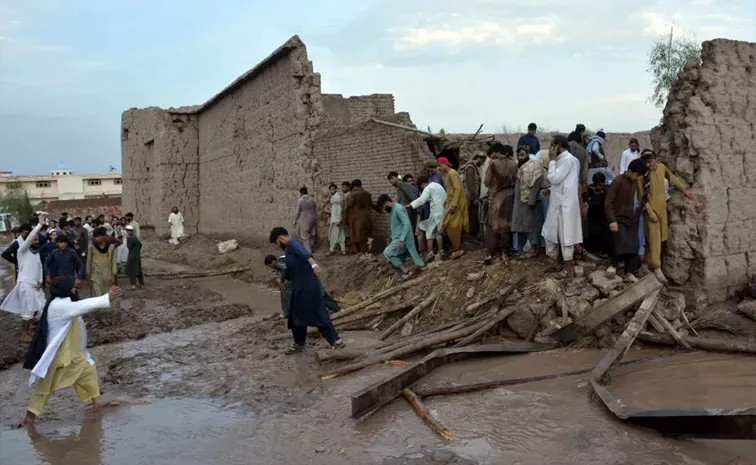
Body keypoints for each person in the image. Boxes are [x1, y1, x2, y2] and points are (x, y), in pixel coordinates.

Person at [19, 276, 121, 426]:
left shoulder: (59, 303)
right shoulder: (60, 306)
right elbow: (84, 306)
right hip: (59, 355)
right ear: (66, 289)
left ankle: (97, 402)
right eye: (73, 285)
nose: (76, 286)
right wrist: (107, 298)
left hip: (73, 352)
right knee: (46, 386)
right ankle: (30, 416)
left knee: (88, 371)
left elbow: (78, 306)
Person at [268, 227, 344, 354]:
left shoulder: (293, 244)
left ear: (280, 238)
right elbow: (292, 267)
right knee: (296, 315)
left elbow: (304, 253)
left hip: (306, 287)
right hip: (301, 287)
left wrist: (313, 264)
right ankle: (299, 343)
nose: (277, 245)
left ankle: (336, 340)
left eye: (276, 243)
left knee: (317, 313)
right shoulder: (289, 249)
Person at [638, 149, 693, 284]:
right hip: (651, 214)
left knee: (660, 239)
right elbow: (641, 198)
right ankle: (656, 267)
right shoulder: (641, 177)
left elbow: (672, 178)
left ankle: (649, 263)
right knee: (654, 239)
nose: (649, 165)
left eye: (650, 161)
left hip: (662, 210)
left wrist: (683, 190)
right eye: (646, 163)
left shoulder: (662, 168)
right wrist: (650, 212)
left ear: (656, 160)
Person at [542, 135, 583, 277]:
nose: (550, 148)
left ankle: (568, 270)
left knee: (566, 236)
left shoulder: (567, 160)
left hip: (564, 205)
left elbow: (554, 178)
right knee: (549, 232)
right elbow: (560, 183)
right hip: (558, 201)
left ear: (558, 146)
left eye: (552, 145)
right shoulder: (563, 160)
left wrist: (551, 161)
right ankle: (554, 262)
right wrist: (550, 190)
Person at [1, 219, 46, 341]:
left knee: (42, 308)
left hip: (36, 286)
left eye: (37, 240)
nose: (37, 241)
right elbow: (30, 237)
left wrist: (40, 281)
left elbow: (40, 267)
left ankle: (34, 325)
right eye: (34, 240)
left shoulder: (36, 253)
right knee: (28, 310)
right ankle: (24, 334)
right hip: (26, 286)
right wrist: (39, 225)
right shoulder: (22, 251)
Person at [605, 159, 648, 283]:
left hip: (630, 217)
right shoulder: (618, 181)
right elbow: (608, 203)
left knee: (633, 245)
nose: (638, 178)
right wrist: (612, 221)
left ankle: (628, 272)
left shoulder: (635, 182)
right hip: (618, 217)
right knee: (620, 241)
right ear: (629, 171)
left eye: (640, 176)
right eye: (637, 175)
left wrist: (636, 215)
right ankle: (613, 265)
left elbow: (639, 199)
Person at [264, 254, 339, 319]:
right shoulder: (284, 258)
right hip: (308, 274)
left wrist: (282, 282)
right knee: (320, 293)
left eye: (270, 266)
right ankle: (336, 308)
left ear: (273, 262)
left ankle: (287, 312)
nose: (271, 268)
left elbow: (284, 268)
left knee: (284, 289)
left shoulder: (279, 262)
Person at [483, 143, 518, 264]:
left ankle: (490, 252)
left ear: (497, 152)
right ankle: (504, 251)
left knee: (492, 224)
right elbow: (515, 180)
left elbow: (486, 182)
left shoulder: (493, 163)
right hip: (509, 196)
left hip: (496, 196)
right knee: (506, 224)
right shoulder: (514, 164)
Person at [377, 194, 425, 280]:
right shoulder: (394, 210)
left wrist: (402, 239)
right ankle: (404, 275)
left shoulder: (398, 208)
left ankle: (406, 270)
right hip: (398, 238)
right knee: (396, 257)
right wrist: (392, 237)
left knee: (387, 252)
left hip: (402, 238)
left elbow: (406, 224)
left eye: (383, 207)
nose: (384, 209)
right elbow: (397, 226)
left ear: (386, 203)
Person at [512, 145, 545, 257]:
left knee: (532, 226)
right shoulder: (521, 167)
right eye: (518, 155)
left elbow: (536, 183)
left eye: (522, 155)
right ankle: (524, 247)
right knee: (524, 225)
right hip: (521, 202)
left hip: (530, 202)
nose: (520, 157)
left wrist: (531, 201)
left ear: (528, 154)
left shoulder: (533, 166)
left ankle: (534, 248)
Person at [409, 175, 447, 262]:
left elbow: (422, 199)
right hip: (443, 211)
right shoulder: (437, 185)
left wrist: (411, 205)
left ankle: (430, 253)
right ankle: (441, 251)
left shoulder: (428, 188)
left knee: (429, 232)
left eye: (421, 186)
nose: (421, 188)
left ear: (422, 184)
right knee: (438, 232)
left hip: (435, 212)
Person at [86, 227, 118, 325]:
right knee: (98, 296)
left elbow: (113, 262)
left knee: (108, 296)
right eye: (95, 237)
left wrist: (114, 275)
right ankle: (101, 317)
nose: (96, 239)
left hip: (108, 275)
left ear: (104, 236)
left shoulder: (111, 247)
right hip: (96, 276)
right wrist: (88, 275)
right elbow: (88, 262)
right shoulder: (92, 247)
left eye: (98, 237)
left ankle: (109, 316)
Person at [437, 157, 468, 253]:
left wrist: (454, 204)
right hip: (451, 202)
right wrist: (447, 200)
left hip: (456, 203)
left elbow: (458, 189)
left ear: (444, 164)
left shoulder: (452, 173)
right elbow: (451, 190)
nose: (439, 168)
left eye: (439, 165)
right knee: (448, 225)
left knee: (453, 225)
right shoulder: (448, 175)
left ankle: (457, 248)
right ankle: (456, 247)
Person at [582, 172, 612, 256]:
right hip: (593, 215)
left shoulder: (606, 189)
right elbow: (587, 199)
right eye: (597, 184)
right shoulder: (590, 188)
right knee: (594, 232)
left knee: (604, 233)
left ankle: (603, 251)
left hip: (603, 215)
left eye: (600, 184)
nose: (598, 186)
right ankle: (594, 250)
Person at [346, 180, 375, 256]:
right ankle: (369, 252)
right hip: (368, 217)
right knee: (369, 235)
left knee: (361, 237)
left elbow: (349, 206)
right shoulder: (368, 194)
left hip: (359, 219)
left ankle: (364, 254)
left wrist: (345, 218)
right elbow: (371, 205)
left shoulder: (355, 194)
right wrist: (379, 209)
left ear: (355, 186)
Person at [460, 154, 485, 238]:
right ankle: (470, 234)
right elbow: (471, 184)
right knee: (472, 216)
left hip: (471, 197)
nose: (482, 163)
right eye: (481, 161)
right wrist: (474, 198)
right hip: (471, 197)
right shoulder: (470, 168)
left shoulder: (472, 167)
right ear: (477, 158)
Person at [293, 187, 317, 253]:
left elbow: (297, 212)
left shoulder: (300, 200)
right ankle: (311, 249)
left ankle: (309, 252)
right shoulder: (312, 200)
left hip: (304, 220)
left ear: (301, 193)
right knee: (312, 235)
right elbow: (314, 209)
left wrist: (295, 221)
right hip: (313, 219)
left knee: (305, 237)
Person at [327, 183, 347, 255]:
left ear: (336, 189)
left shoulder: (336, 197)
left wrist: (339, 219)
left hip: (336, 220)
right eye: (330, 190)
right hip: (338, 219)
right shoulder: (337, 197)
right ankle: (343, 250)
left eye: (333, 189)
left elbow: (339, 209)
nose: (331, 191)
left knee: (333, 236)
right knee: (341, 235)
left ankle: (331, 250)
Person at [125, 225, 144, 289]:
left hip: (132, 256)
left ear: (132, 231)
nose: (128, 232)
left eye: (129, 231)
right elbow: (140, 245)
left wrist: (128, 239)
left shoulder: (131, 238)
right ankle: (141, 284)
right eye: (127, 231)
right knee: (137, 269)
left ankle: (133, 285)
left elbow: (129, 246)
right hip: (136, 255)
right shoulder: (135, 237)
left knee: (129, 269)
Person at [340, 181, 353, 252]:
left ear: (348, 187)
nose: (342, 189)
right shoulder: (345, 195)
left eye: (344, 187)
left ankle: (350, 247)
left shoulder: (348, 195)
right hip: (346, 215)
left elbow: (346, 207)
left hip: (347, 215)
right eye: (342, 187)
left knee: (349, 231)